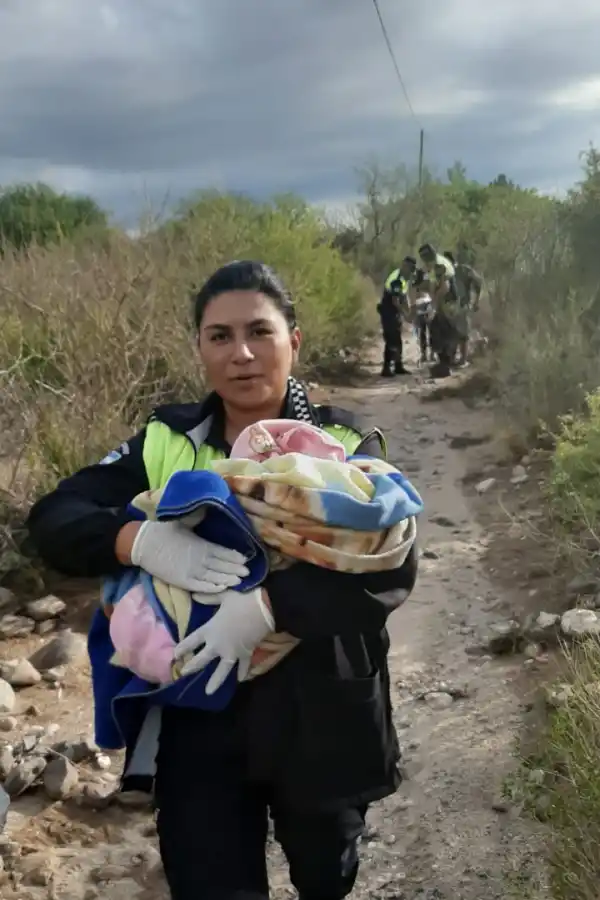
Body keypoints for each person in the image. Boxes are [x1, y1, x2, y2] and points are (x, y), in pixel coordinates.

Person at [27, 260, 419, 900]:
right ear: (199, 348)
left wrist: (270, 607)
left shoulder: (344, 442)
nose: (240, 353)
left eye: (259, 332)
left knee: (328, 875)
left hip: (324, 711)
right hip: (197, 719)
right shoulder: (165, 441)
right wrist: (139, 540)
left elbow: (392, 564)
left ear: (294, 340)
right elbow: (54, 517)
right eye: (219, 336)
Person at [378, 256, 416, 377]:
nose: (411, 271)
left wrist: (409, 311)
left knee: (397, 339)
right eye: (410, 268)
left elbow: (404, 297)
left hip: (394, 312)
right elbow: (395, 301)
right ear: (405, 266)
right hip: (388, 311)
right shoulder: (397, 279)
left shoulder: (405, 279)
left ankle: (398, 366)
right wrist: (406, 315)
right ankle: (386, 368)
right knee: (391, 339)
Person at [444, 250, 483, 366]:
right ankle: (455, 359)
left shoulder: (463, 270)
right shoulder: (449, 272)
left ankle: (460, 359)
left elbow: (478, 282)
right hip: (452, 307)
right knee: (454, 334)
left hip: (460, 306)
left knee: (461, 334)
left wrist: (475, 301)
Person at [411, 268, 433, 364]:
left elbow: (412, 299)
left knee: (422, 333)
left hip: (420, 308)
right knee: (431, 332)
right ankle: (431, 353)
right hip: (428, 307)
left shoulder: (414, 285)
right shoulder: (427, 283)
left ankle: (424, 354)